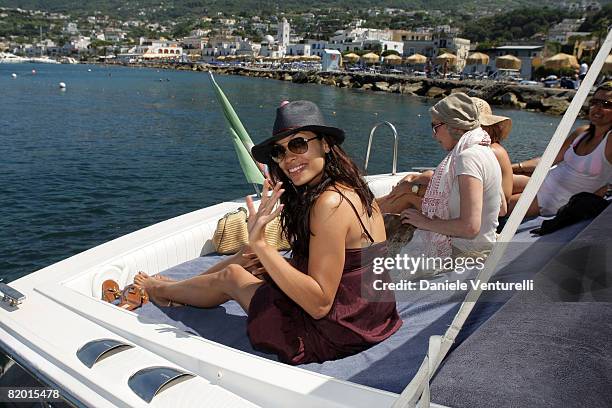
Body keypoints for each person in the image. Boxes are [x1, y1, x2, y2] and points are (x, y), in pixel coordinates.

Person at [134, 100, 402, 364]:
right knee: (251, 254)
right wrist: (261, 252)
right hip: (372, 315)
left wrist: (262, 245)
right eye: (279, 151)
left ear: (326, 144)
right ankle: (178, 289)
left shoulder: (329, 203)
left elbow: (319, 304)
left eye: (298, 144)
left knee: (232, 275)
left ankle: (159, 289)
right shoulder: (350, 188)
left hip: (338, 330)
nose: (288, 159)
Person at [400, 93, 503, 259]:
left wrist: (425, 222)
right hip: (481, 250)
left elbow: (470, 228)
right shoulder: (484, 150)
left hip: (466, 257)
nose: (434, 135)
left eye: (435, 127)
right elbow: (501, 207)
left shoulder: (468, 157)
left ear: (454, 126)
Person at [378, 97, 511, 215]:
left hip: (475, 221)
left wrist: (414, 190)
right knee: (417, 183)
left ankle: (368, 214)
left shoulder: (475, 154)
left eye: (435, 127)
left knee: (409, 196)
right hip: (472, 212)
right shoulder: (480, 148)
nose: (433, 135)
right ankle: (370, 209)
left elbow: (498, 208)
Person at [510, 82, 612, 217]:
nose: (597, 108)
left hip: (555, 199)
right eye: (594, 102)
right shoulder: (582, 133)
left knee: (495, 203)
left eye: (606, 104)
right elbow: (548, 160)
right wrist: (512, 167)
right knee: (492, 181)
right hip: (543, 181)